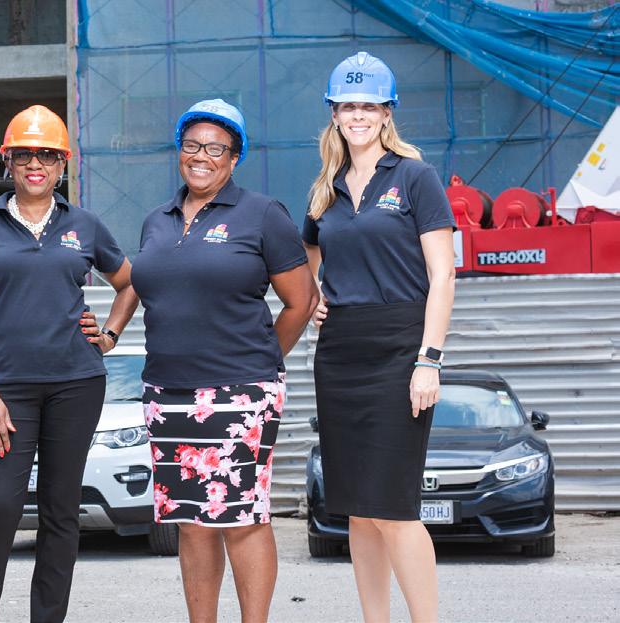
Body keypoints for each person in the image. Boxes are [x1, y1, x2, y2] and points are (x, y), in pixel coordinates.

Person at [130, 99, 318, 623]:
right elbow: (141, 288)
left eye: (216, 148)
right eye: (192, 145)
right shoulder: (156, 221)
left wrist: (260, 362)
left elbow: (301, 300)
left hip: (241, 393)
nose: (202, 156)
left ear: (234, 158)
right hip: (167, 394)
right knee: (191, 522)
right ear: (179, 151)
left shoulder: (262, 214)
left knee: (242, 518)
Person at [0, 104, 140, 623]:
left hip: (76, 383)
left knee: (61, 510)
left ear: (62, 165)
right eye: (25, 154)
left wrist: (109, 334)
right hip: (5, 390)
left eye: (48, 155)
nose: (36, 164)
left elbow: (129, 282)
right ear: (8, 160)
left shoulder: (85, 225)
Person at [303, 51, 456, 623]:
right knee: (359, 510)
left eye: (369, 105)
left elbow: (443, 274)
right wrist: (315, 298)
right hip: (340, 353)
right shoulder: (326, 188)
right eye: (348, 106)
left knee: (393, 506)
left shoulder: (415, 177)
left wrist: (429, 359)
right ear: (334, 114)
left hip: (400, 348)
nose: (358, 115)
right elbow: (308, 256)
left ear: (387, 112)